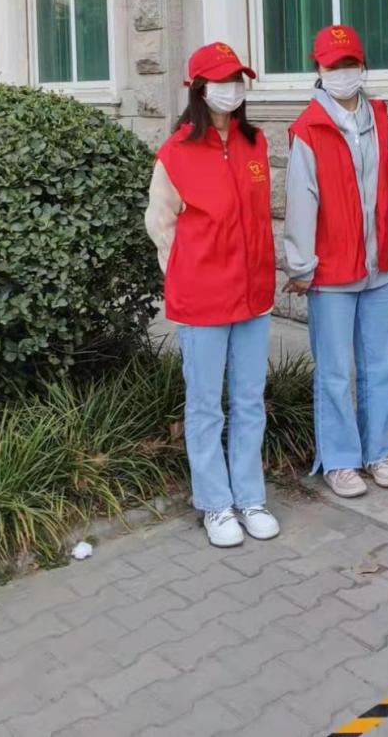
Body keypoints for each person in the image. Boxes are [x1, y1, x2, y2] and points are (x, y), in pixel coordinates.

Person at [145, 42, 278, 548]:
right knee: (205, 406)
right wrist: (187, 273)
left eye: (238, 80)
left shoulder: (254, 143)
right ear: (199, 89)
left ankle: (250, 497)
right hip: (203, 300)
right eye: (222, 81)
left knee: (249, 401)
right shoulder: (176, 153)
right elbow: (160, 224)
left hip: (254, 294)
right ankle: (215, 504)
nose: (232, 90)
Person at [284, 24, 388, 498]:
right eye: (333, 66)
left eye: (350, 64)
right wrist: (301, 266)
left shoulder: (380, 117)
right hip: (332, 272)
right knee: (335, 372)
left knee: (380, 366)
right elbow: (301, 199)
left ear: (363, 66)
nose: (342, 73)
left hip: (378, 266)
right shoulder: (308, 128)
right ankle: (339, 461)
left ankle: (377, 450)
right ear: (318, 69)